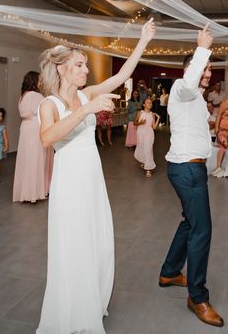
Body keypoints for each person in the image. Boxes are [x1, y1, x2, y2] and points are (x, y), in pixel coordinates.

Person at [36, 19, 155, 334]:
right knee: (74, 242)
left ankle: (91, 301)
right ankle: (71, 310)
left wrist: (142, 41)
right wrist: (84, 112)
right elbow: (47, 139)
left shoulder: (87, 94)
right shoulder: (50, 103)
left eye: (85, 66)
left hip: (92, 178)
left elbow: (121, 75)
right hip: (69, 180)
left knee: (95, 241)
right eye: (78, 65)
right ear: (61, 69)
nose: (85, 70)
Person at [159, 24, 223, 328]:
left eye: (210, 70)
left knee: (190, 222)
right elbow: (188, 83)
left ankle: (170, 271)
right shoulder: (181, 88)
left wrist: (214, 139)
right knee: (202, 229)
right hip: (187, 169)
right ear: (191, 69)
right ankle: (197, 297)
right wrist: (202, 49)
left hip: (190, 166)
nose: (208, 73)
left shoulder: (196, 98)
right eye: (204, 69)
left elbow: (194, 129)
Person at [13, 71, 54, 203]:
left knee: (28, 159)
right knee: (38, 158)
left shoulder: (22, 95)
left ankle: (27, 191)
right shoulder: (36, 95)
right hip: (36, 128)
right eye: (40, 80)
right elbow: (44, 112)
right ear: (35, 81)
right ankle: (36, 192)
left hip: (25, 128)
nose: (41, 82)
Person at [134, 97, 160, 178]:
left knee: (148, 149)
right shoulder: (140, 113)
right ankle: (143, 161)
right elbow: (134, 123)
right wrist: (140, 123)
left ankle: (148, 169)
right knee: (141, 147)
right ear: (144, 104)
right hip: (140, 132)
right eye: (148, 102)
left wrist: (158, 118)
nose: (150, 104)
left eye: (151, 103)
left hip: (149, 133)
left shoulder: (152, 114)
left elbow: (154, 127)